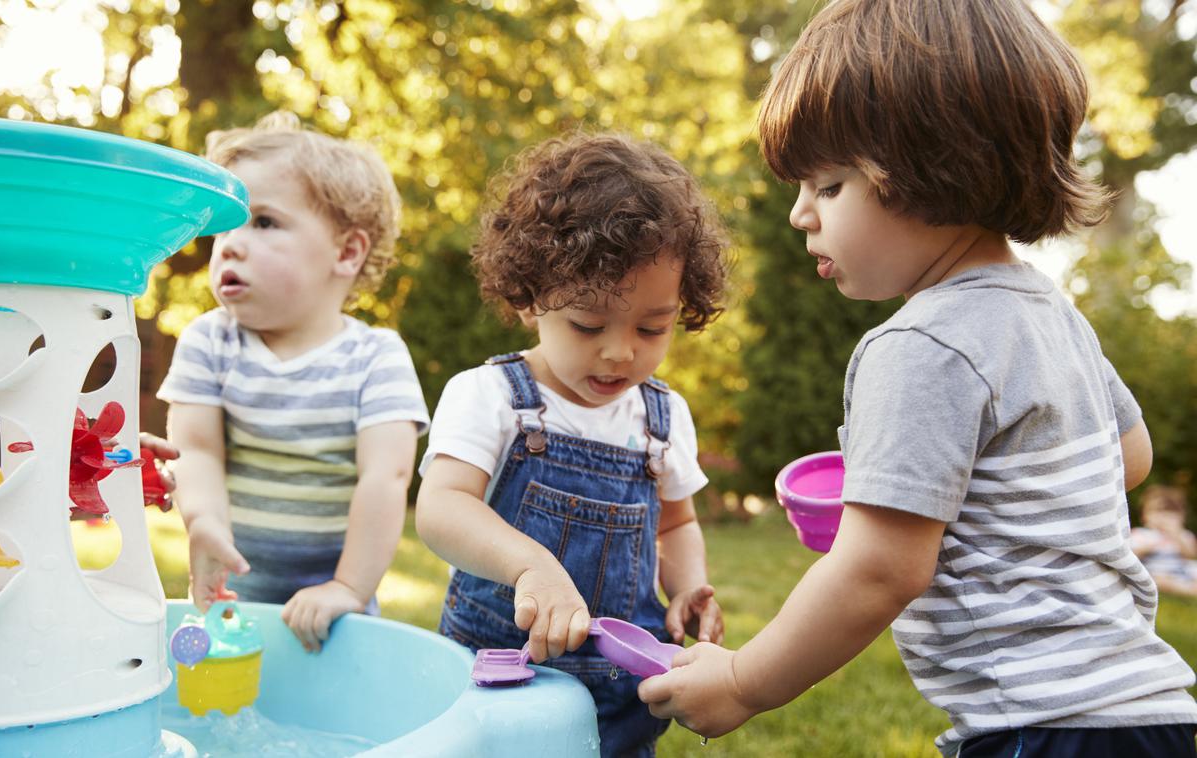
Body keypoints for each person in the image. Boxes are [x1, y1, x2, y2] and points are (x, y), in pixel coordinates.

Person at [638, 1, 1197, 756]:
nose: (801, 213)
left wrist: (741, 681)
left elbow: (877, 573)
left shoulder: (919, 343)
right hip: (1148, 710)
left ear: (939, 168)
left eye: (830, 186)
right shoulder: (1050, 311)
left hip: (1040, 724)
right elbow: (1129, 456)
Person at [415, 132, 728, 757]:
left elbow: (675, 525)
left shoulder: (662, 417)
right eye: (588, 324)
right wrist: (530, 565)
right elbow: (442, 508)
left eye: (651, 327)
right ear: (532, 297)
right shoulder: (490, 396)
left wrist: (689, 585)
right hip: (498, 685)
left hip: (618, 701)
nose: (620, 350)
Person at [158, 112, 429, 652]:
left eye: (262, 222)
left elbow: (386, 476)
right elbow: (198, 451)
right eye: (224, 226)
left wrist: (348, 587)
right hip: (235, 593)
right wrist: (204, 521)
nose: (230, 245)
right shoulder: (209, 342)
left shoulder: (375, 356)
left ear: (346, 252)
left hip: (335, 611)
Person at [1131, 485, 1197, 597]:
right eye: (1157, 513)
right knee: (1156, 580)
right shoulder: (1142, 534)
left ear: (1181, 517)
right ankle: (1186, 590)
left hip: (1180, 571)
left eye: (1169, 514)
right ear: (1144, 516)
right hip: (1155, 571)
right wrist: (1148, 547)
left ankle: (1184, 587)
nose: (1163, 518)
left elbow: (1191, 554)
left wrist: (1177, 535)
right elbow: (1131, 555)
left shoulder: (1183, 535)